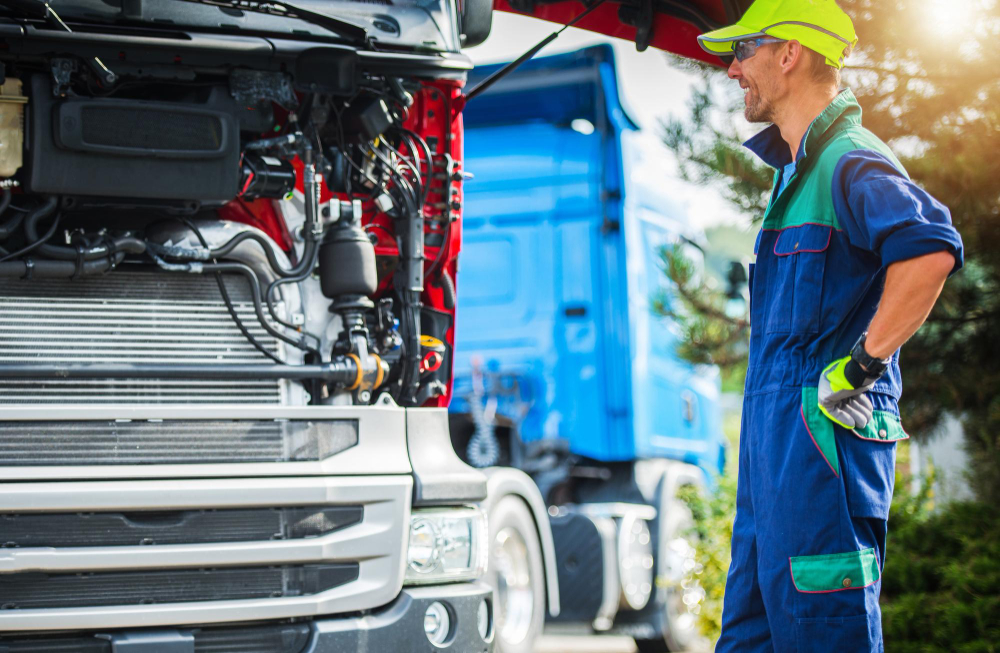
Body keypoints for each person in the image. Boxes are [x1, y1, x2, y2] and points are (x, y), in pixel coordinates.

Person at [695, 1, 964, 651]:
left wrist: (863, 365)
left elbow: (929, 251)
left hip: (821, 447)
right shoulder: (797, 173)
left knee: (823, 629)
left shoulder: (849, 159)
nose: (732, 70)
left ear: (789, 53)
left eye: (743, 52)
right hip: (777, 449)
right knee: (752, 632)